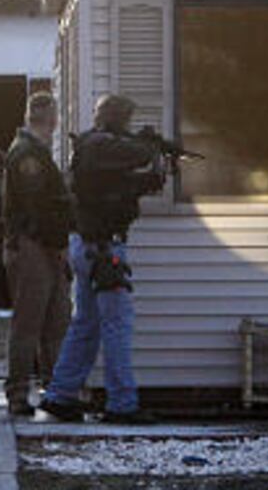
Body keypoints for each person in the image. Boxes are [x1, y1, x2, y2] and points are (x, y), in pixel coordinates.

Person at [40, 94, 168, 424]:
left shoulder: (93, 149)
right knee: (117, 325)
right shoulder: (99, 145)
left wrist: (149, 179)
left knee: (87, 324)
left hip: (90, 246)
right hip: (103, 249)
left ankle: (60, 395)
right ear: (116, 118)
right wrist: (150, 146)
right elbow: (135, 154)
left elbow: (113, 188)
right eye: (126, 119)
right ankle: (121, 404)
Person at [3, 91, 74, 417]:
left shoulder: (33, 152)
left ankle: (55, 390)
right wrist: (58, 242)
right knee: (29, 323)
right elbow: (36, 209)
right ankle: (18, 392)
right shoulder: (27, 155)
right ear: (52, 119)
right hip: (34, 245)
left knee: (55, 321)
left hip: (44, 245)